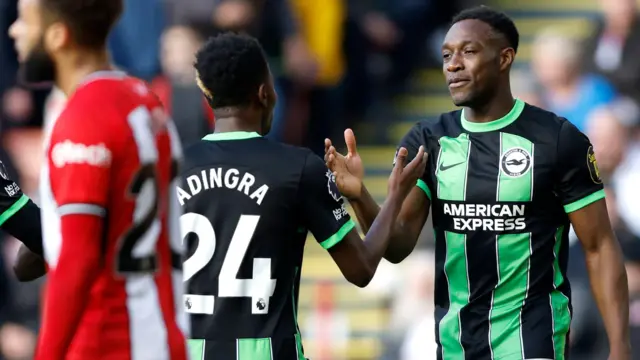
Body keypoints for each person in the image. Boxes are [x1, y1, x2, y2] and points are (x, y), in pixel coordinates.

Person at [325, 6, 631, 360]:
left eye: (468, 51)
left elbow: (599, 247)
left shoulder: (558, 140)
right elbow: (397, 246)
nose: (452, 64)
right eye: (445, 55)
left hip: (533, 343)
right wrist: (359, 195)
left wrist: (620, 345)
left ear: (504, 58)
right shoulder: (429, 140)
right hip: (456, 346)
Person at [180, 32, 426, 359]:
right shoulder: (298, 169)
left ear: (208, 99)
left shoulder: (173, 167)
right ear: (264, 93)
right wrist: (393, 194)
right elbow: (363, 269)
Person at [8, 0, 188, 359]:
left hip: (108, 342)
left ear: (58, 36)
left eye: (24, 21)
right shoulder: (144, 103)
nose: (14, 31)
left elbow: (77, 258)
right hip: (163, 338)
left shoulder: (83, 118)